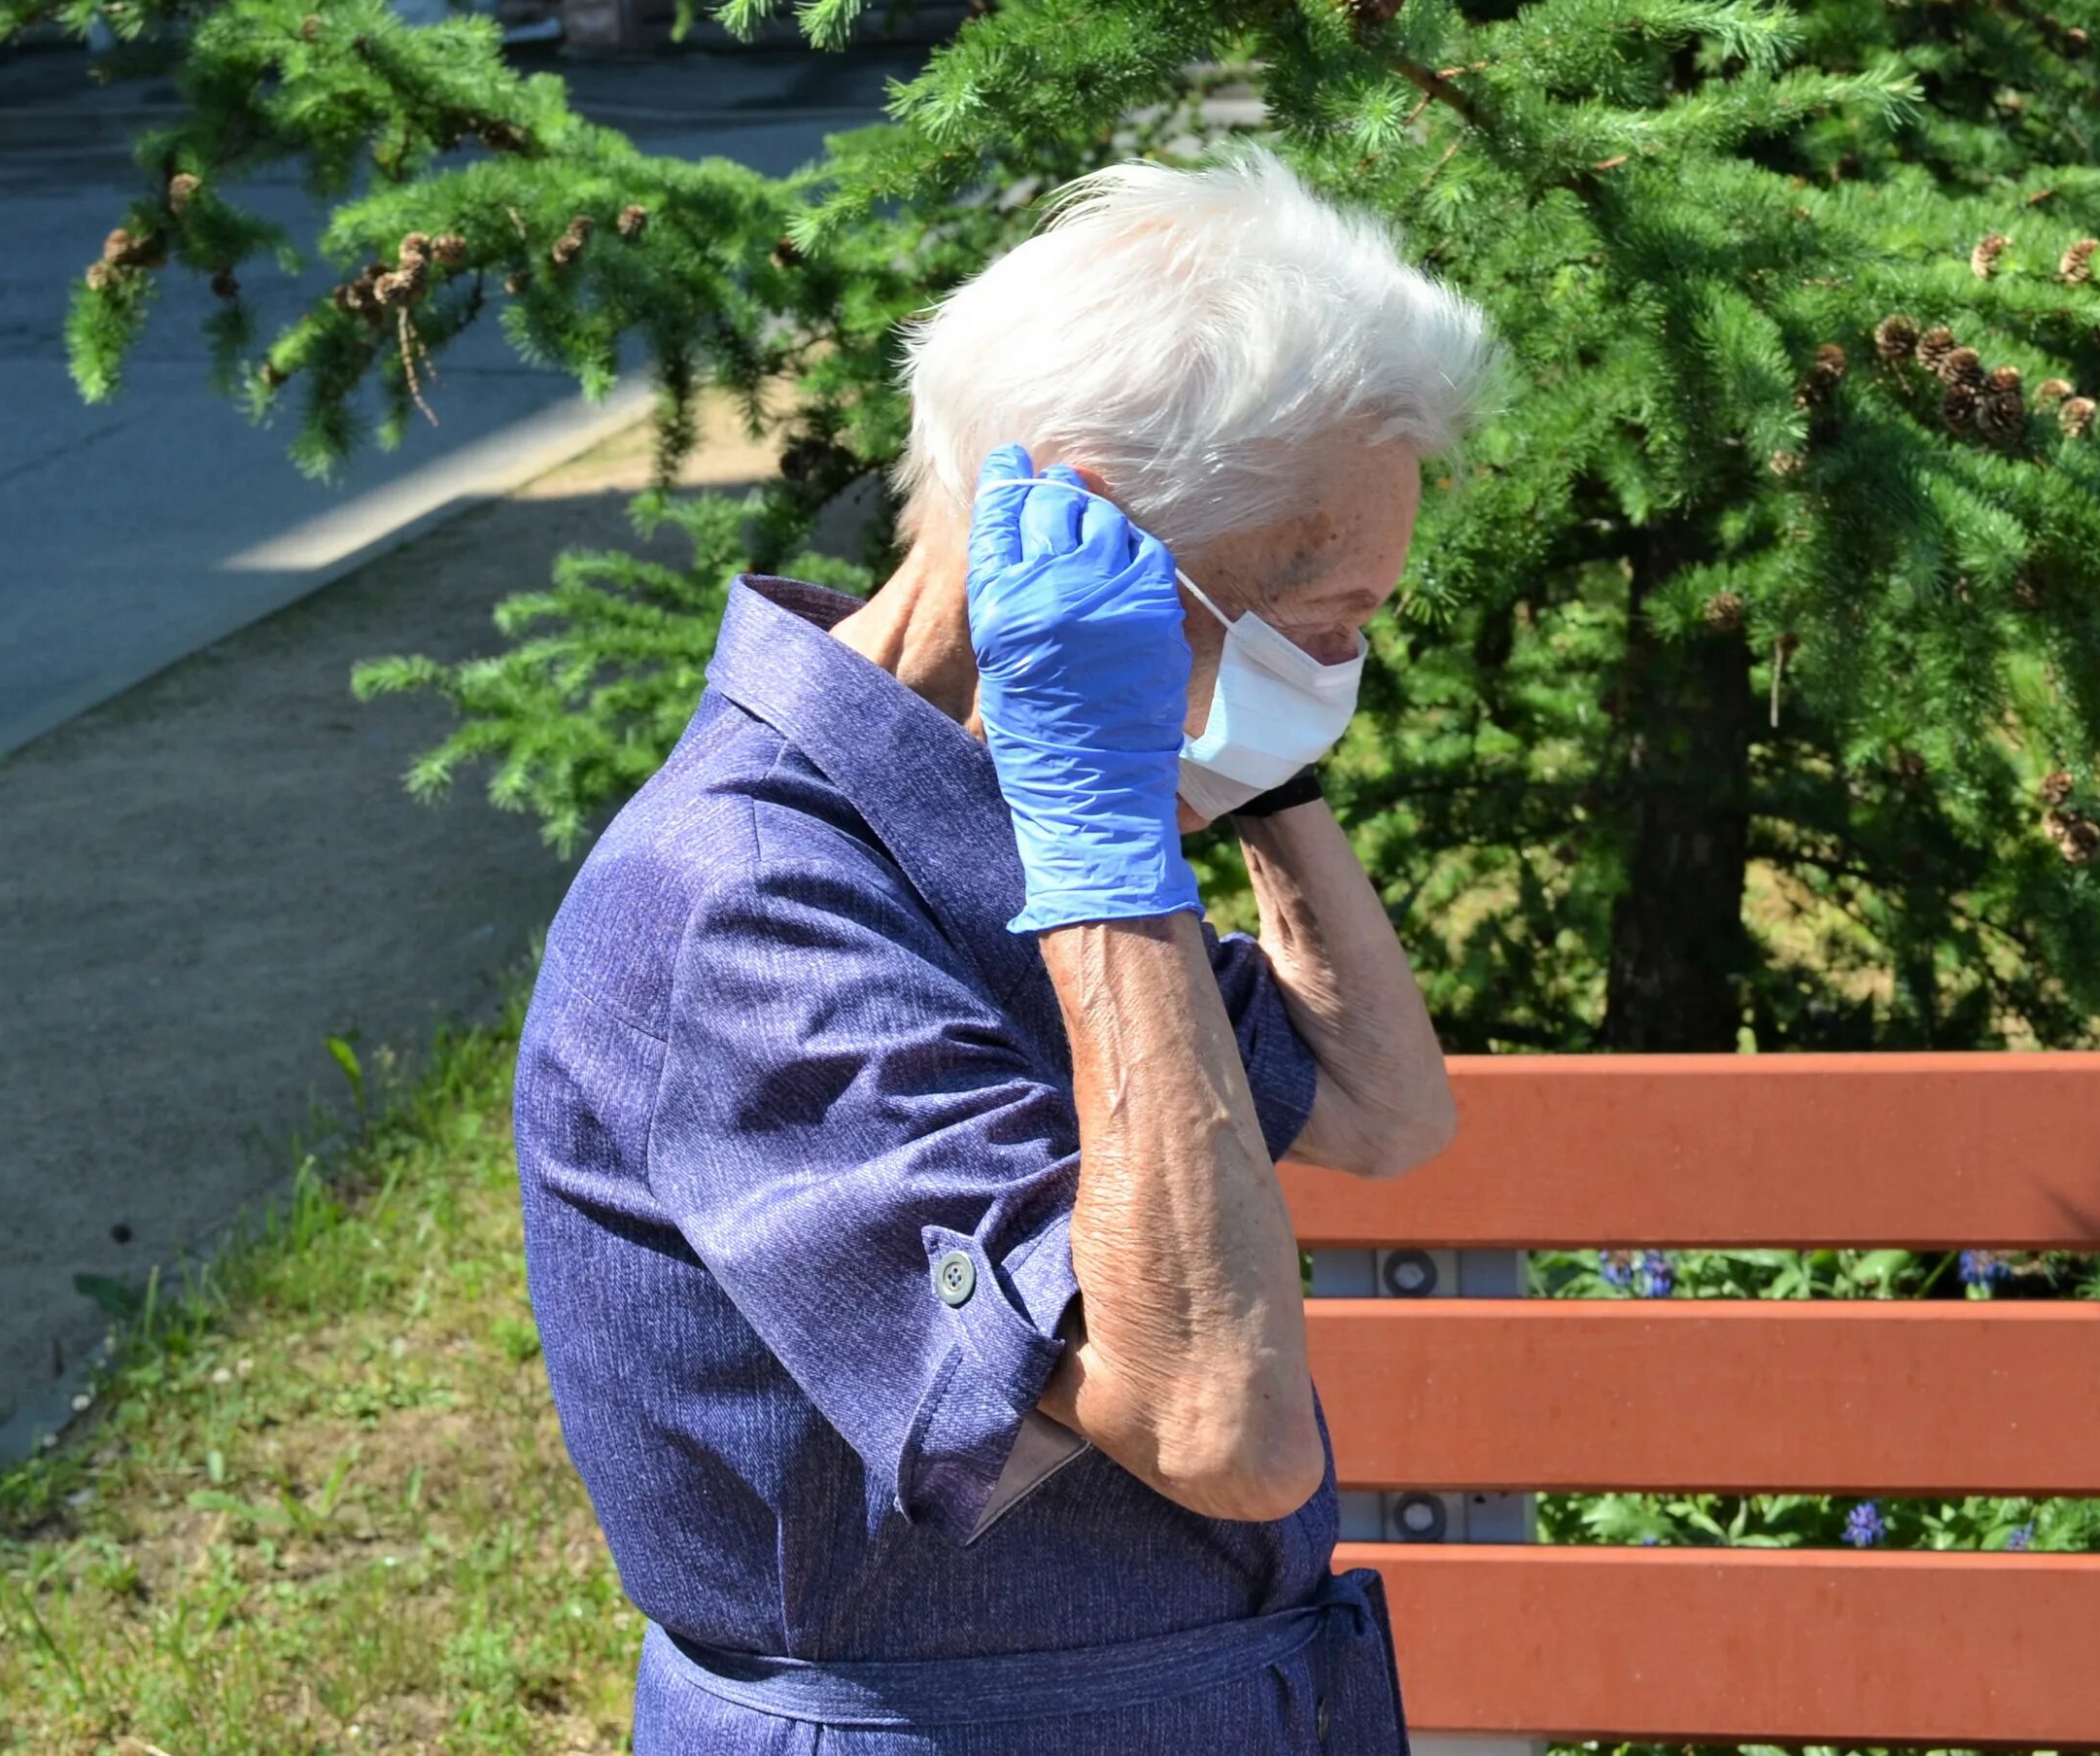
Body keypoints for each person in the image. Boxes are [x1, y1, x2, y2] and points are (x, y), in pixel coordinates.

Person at [514, 149, 1498, 1752]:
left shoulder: (992, 812)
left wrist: (1266, 769)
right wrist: (1113, 844)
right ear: (1087, 535)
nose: (1350, 667)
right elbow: (1215, 1422)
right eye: (1325, 622)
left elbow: (1386, 1109)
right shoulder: (746, 905)